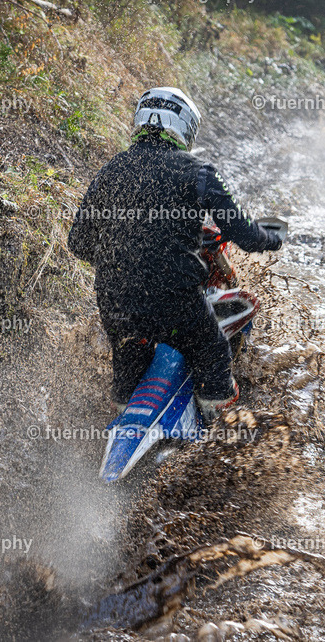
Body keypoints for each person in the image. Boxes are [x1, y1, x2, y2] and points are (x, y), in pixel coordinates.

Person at [67, 87, 283, 417]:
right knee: (212, 352)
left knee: (126, 375)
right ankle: (216, 433)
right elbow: (244, 235)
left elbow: (78, 243)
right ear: (185, 128)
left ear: (140, 121)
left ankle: (120, 416)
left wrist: (125, 257)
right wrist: (272, 238)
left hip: (115, 305)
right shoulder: (198, 172)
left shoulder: (108, 172)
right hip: (175, 305)